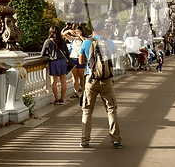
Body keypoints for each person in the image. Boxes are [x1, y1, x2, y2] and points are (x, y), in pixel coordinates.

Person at [79, 20, 122, 149]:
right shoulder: (108, 41)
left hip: (91, 80)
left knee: (87, 111)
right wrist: (106, 36)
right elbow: (114, 51)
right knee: (111, 109)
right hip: (106, 80)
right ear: (103, 28)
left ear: (92, 30)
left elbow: (81, 61)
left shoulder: (86, 42)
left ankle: (85, 141)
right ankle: (116, 140)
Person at [41, 26, 70, 105]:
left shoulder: (48, 41)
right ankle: (62, 99)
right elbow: (67, 53)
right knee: (63, 82)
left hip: (53, 62)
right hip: (62, 61)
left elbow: (42, 54)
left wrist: (50, 54)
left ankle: (56, 99)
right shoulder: (62, 40)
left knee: (54, 82)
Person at [62, 24, 87, 98]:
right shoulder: (72, 39)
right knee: (75, 77)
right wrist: (69, 30)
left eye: (78, 31)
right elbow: (63, 34)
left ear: (81, 32)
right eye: (75, 31)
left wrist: (80, 36)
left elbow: (86, 43)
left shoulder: (84, 39)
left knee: (81, 77)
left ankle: (83, 91)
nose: (76, 33)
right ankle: (76, 92)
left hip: (81, 58)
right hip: (73, 58)